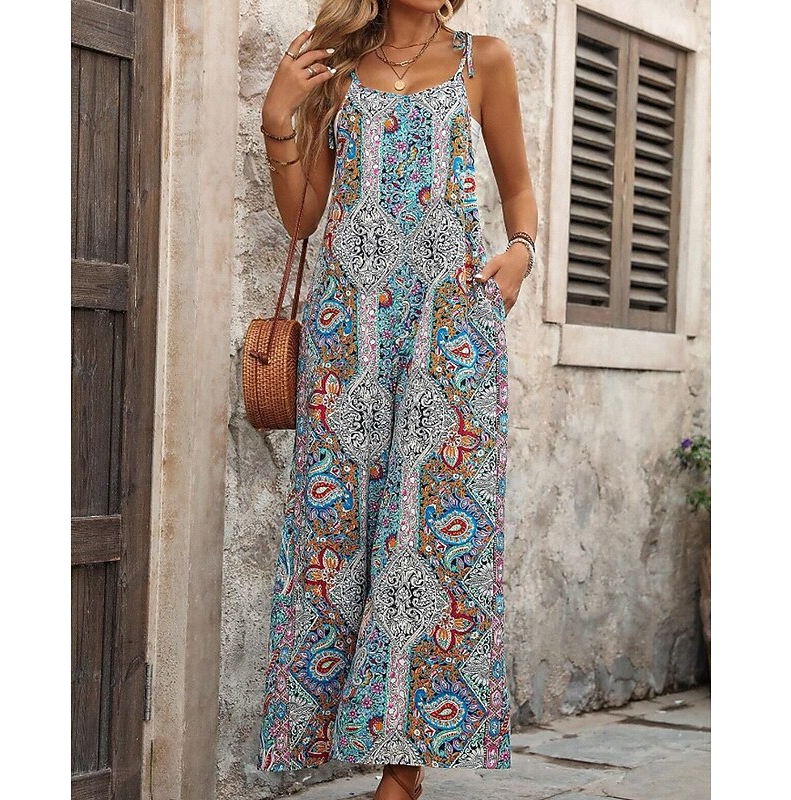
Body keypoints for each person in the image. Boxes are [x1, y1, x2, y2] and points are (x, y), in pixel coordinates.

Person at [257, 1, 537, 797]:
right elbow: (304, 217)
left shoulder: (485, 60)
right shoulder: (336, 66)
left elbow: (519, 190)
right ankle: (330, 736)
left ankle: (402, 770)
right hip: (348, 340)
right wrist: (278, 119)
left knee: (429, 532)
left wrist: (520, 252)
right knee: (338, 533)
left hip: (446, 332)